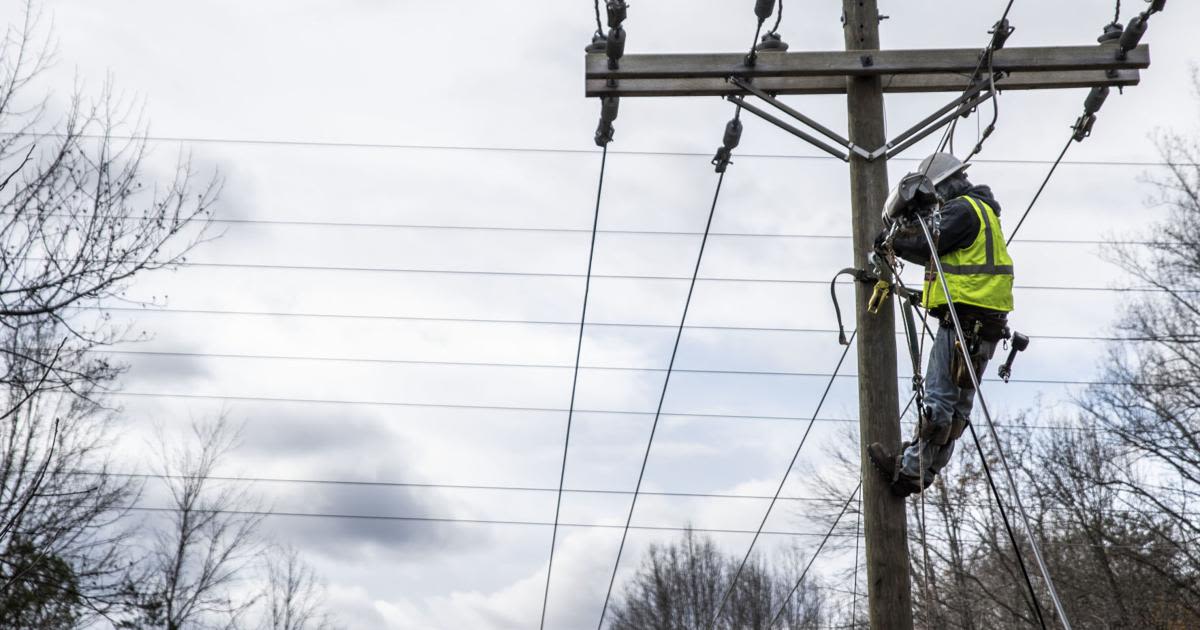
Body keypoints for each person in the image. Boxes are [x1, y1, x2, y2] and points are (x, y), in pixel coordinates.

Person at [867, 152, 1015, 498]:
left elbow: (924, 242)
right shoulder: (980, 211)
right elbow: (934, 250)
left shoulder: (963, 210)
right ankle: (925, 469)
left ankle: (911, 470)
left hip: (964, 322)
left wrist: (889, 240)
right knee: (956, 408)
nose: (934, 204)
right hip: (985, 325)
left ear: (943, 186)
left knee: (939, 401)